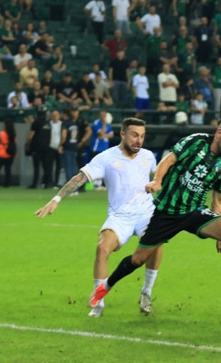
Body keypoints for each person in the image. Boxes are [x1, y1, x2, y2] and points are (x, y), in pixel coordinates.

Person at [88, 115, 221, 312]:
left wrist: (220, 236)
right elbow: (167, 161)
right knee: (138, 260)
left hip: (194, 211)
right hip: (167, 212)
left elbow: (218, 201)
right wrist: (157, 181)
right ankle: (105, 287)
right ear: (219, 133)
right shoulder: (196, 142)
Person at [35, 117, 163, 317]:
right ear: (122, 134)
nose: (139, 140)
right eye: (135, 135)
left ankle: (146, 292)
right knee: (102, 248)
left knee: (156, 243)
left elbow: (159, 178)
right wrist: (56, 199)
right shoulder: (106, 158)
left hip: (146, 213)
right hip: (119, 215)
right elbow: (78, 179)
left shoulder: (148, 156)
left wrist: (159, 184)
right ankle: (99, 301)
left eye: (142, 136)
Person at [0, 118, 17, 187]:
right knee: (8, 170)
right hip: (10, 153)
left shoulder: (2, 133)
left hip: (1, 153)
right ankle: (7, 183)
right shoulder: (13, 134)